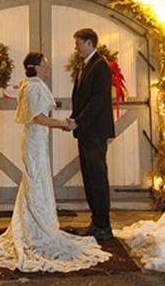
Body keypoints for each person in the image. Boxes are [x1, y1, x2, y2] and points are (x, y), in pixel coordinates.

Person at [0, 52, 110, 272]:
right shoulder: (33, 86)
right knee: (35, 182)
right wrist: (63, 123)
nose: (48, 67)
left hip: (38, 139)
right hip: (35, 139)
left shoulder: (31, 84)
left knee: (38, 182)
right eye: (45, 65)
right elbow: (37, 118)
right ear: (35, 67)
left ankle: (35, 223)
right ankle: (35, 228)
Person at [67, 28, 115, 242]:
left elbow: (97, 101)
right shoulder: (85, 65)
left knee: (97, 178)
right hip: (85, 130)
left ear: (88, 42)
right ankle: (96, 222)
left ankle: (103, 225)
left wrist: (79, 120)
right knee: (89, 177)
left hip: (95, 131)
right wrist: (73, 118)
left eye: (77, 43)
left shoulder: (101, 66)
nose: (75, 47)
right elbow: (81, 98)